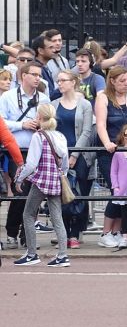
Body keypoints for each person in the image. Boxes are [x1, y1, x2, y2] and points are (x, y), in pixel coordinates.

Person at [0, 62, 50, 247]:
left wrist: (41, 124)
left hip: (37, 150)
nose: (38, 78)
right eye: (34, 74)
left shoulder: (43, 98)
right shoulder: (8, 97)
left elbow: (50, 122)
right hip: (16, 151)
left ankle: (23, 235)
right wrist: (22, 125)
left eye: (39, 74)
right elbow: (2, 121)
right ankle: (14, 233)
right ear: (23, 76)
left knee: (33, 194)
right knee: (22, 189)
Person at [13, 104, 70, 267]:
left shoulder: (38, 136)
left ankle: (32, 254)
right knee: (57, 218)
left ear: (39, 117)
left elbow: (31, 164)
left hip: (41, 180)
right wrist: (63, 175)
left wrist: (19, 179)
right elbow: (65, 163)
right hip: (56, 180)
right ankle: (63, 255)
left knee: (28, 214)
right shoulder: (60, 136)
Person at [94, 66, 127, 247]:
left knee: (125, 192)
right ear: (112, 81)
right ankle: (105, 233)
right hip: (110, 152)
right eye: (122, 81)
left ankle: (117, 231)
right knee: (116, 190)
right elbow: (101, 125)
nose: (126, 84)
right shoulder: (103, 97)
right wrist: (107, 143)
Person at [52, 70, 93, 248]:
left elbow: (86, 131)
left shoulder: (84, 105)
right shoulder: (53, 104)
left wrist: (75, 154)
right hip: (60, 154)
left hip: (80, 155)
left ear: (73, 82)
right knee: (61, 194)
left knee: (79, 192)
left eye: (63, 80)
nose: (60, 84)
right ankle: (64, 233)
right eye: (58, 81)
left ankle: (75, 233)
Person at [32, 33, 60, 100]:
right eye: (50, 47)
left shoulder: (45, 67)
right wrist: (64, 88)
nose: (54, 50)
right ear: (40, 51)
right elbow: (47, 95)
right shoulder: (36, 69)